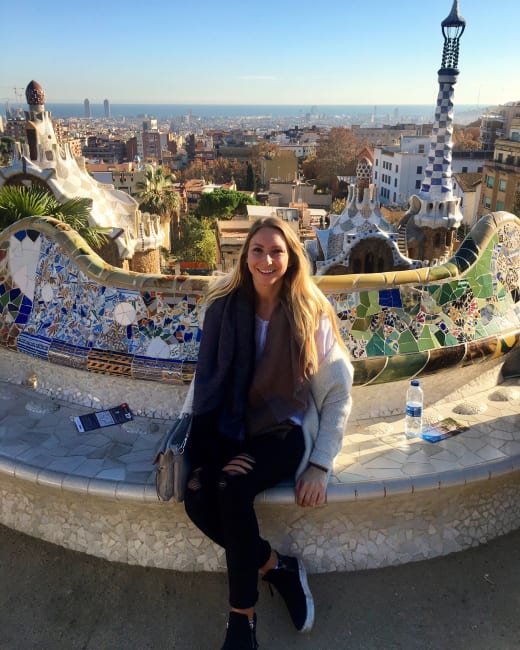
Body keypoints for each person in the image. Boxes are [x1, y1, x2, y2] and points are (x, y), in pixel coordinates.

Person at [184, 216, 353, 649]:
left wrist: (320, 464)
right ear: (245, 258)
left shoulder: (307, 312)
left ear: (291, 257)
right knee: (198, 492)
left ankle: (242, 620)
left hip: (285, 428)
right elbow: (205, 381)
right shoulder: (223, 309)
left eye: (276, 251)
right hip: (231, 425)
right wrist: (191, 440)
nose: (266, 259)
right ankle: (277, 565)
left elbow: (337, 393)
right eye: (257, 251)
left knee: (230, 488)